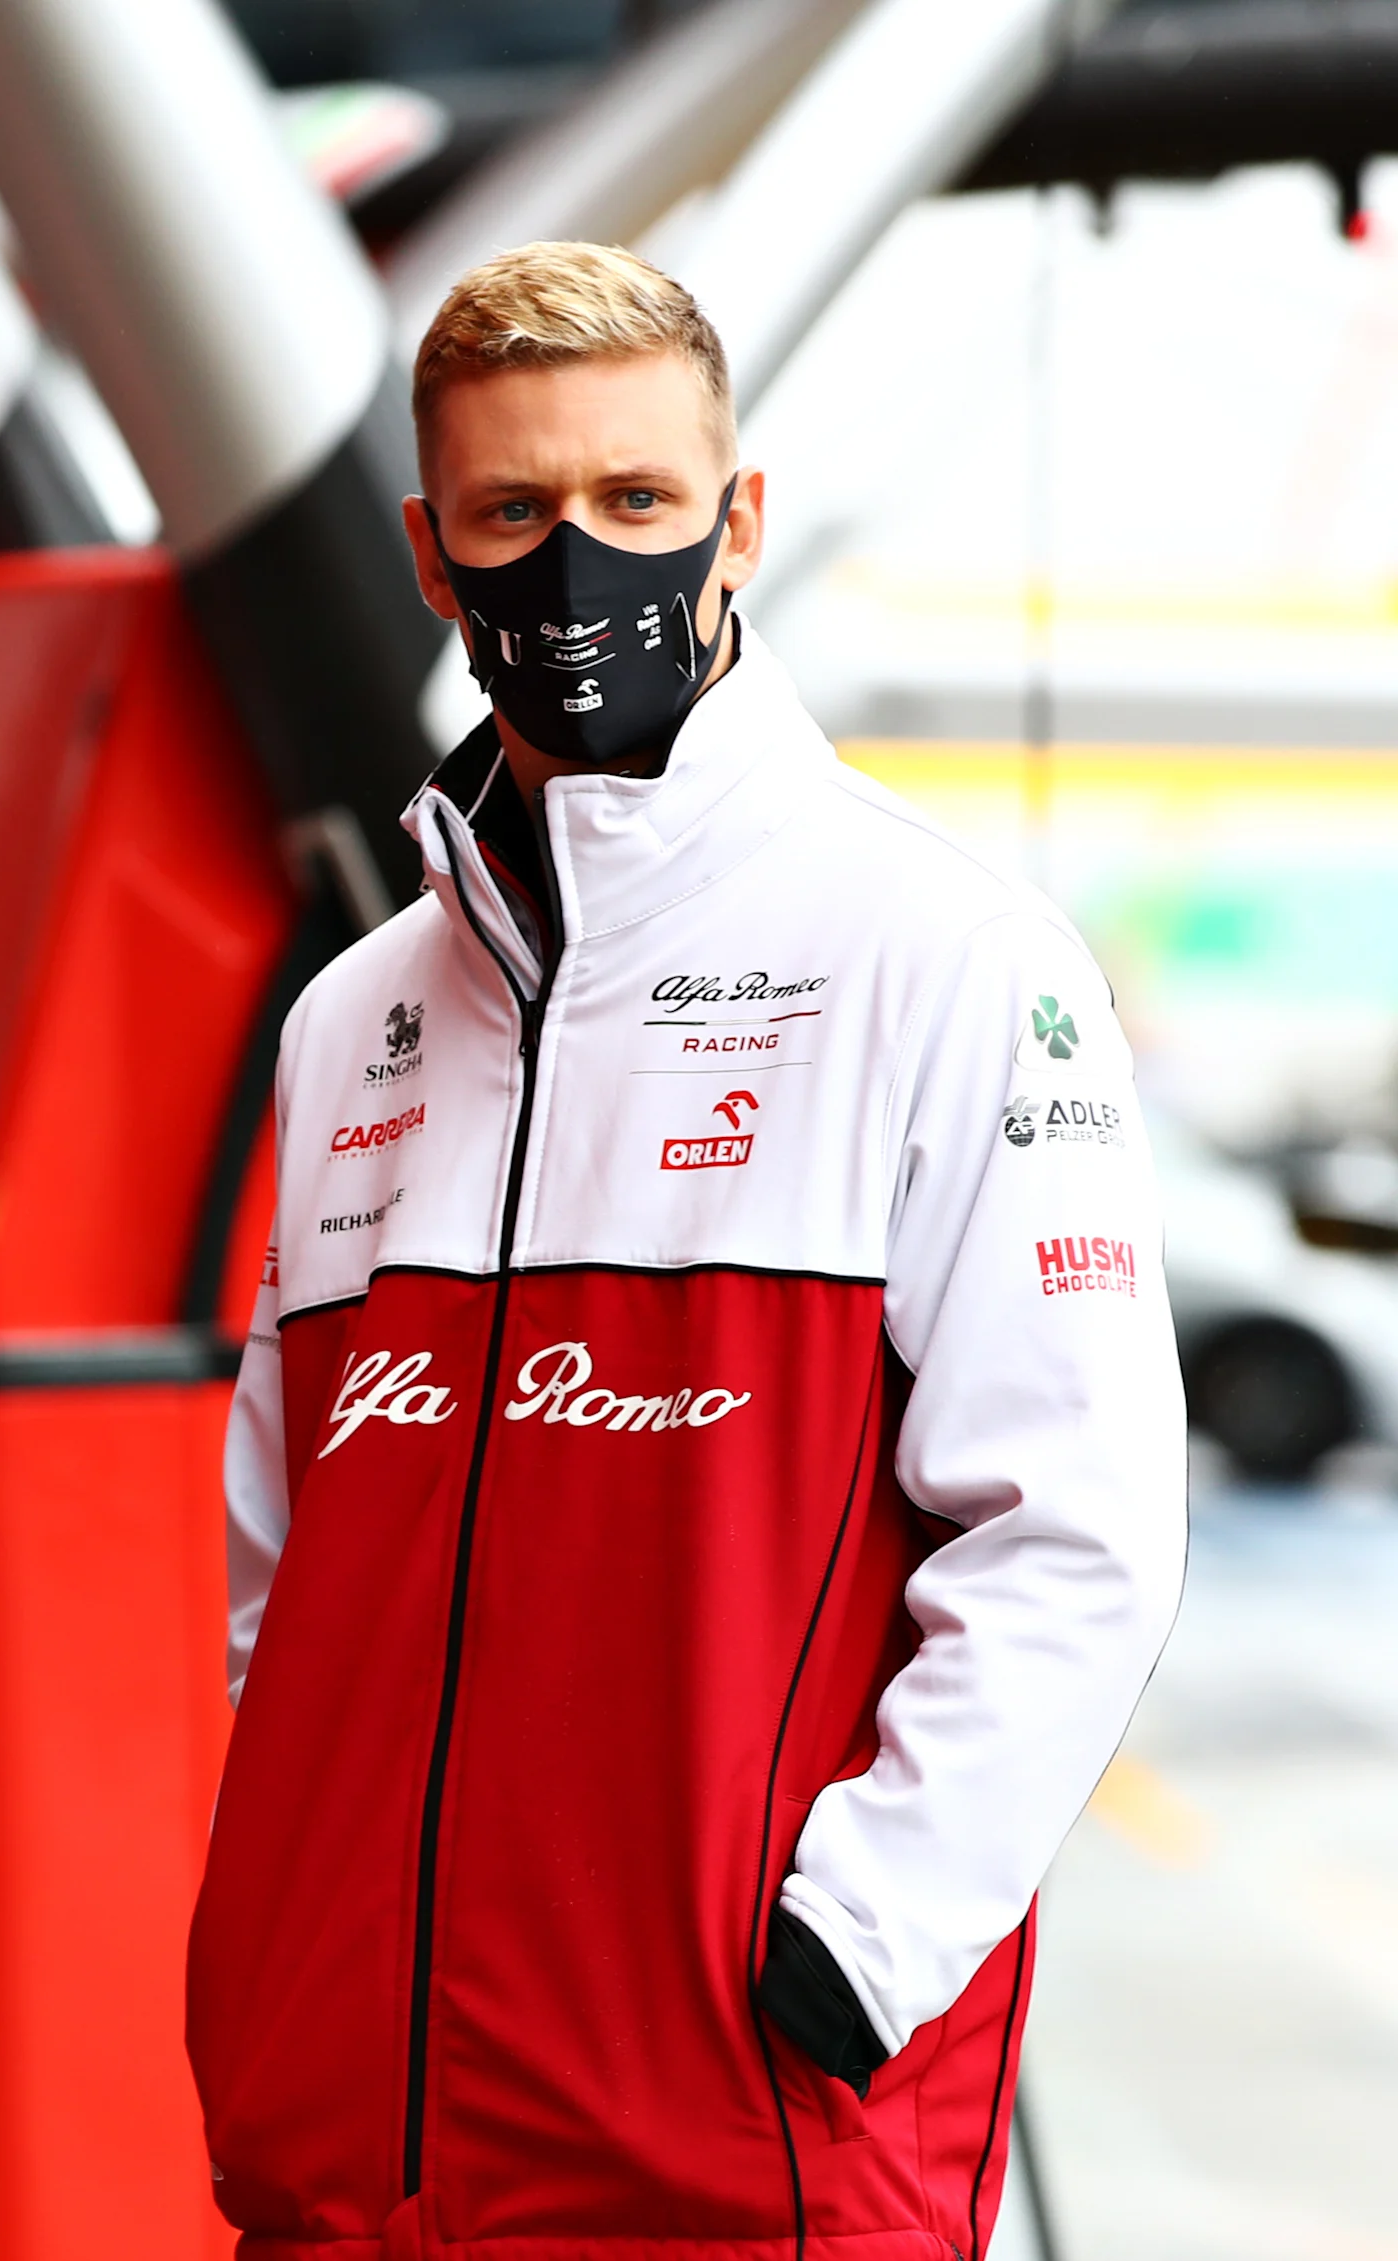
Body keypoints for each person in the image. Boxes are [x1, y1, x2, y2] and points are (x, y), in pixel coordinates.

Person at [186, 242, 1184, 2258]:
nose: (576, 568)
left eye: (634, 504)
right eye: (511, 515)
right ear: (426, 550)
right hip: (345, 2134)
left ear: (735, 519)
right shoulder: (355, 1018)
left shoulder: (945, 959)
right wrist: (291, 1940)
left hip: (741, 2128)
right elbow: (280, 1571)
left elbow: (1075, 1531)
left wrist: (852, 1945)